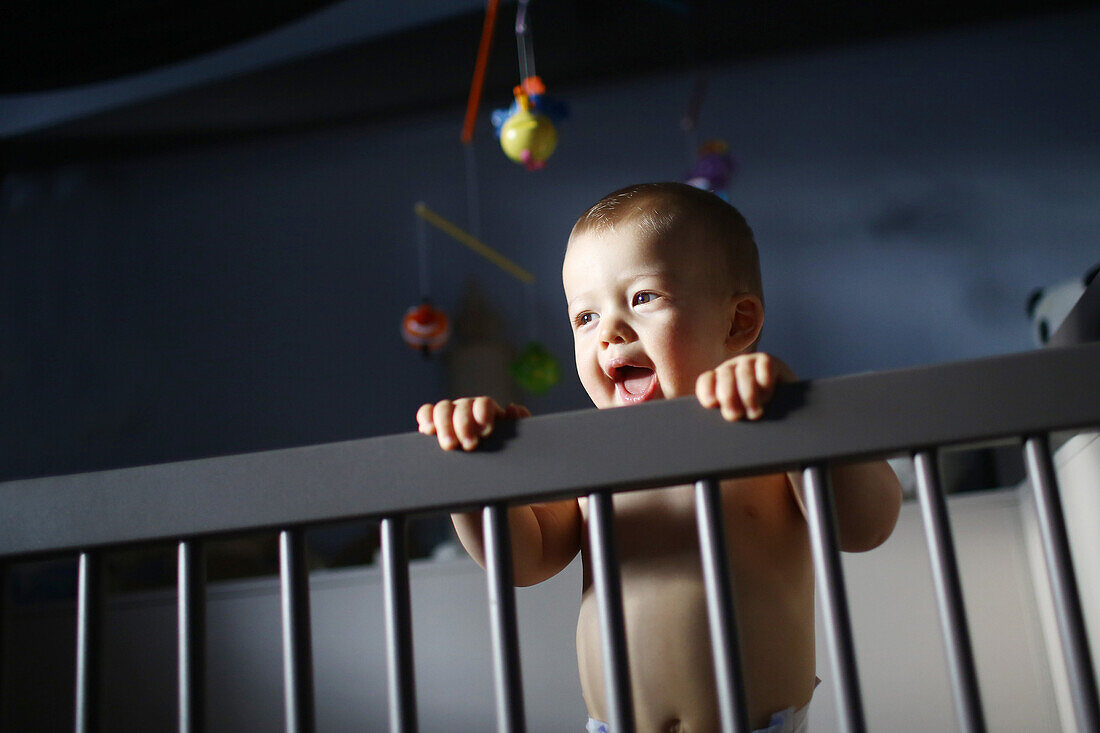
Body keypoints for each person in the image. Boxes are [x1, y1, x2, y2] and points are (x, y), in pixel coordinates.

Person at [416, 182, 902, 733]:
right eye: (585, 317)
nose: (611, 333)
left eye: (643, 297)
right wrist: (473, 476)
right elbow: (523, 560)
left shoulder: (764, 432)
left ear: (738, 323)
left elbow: (867, 524)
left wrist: (794, 414)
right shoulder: (591, 454)